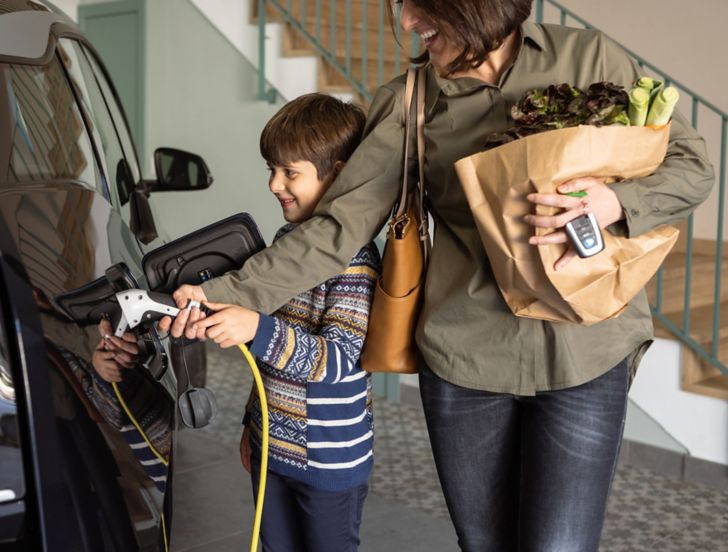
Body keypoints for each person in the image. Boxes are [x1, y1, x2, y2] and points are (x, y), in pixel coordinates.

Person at [164, 1, 714, 550]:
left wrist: (614, 201)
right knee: (482, 543)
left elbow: (691, 165)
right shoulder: (410, 101)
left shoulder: (588, 56)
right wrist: (218, 294)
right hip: (465, 361)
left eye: (422, 7)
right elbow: (337, 228)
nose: (406, 22)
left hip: (587, 349)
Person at [169, 93, 377, 552]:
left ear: (337, 175)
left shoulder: (354, 262)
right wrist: (252, 424)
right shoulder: (284, 246)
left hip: (328, 462)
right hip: (271, 449)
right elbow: (269, 363)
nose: (273, 184)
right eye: (272, 169)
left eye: (290, 172)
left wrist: (257, 329)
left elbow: (339, 361)